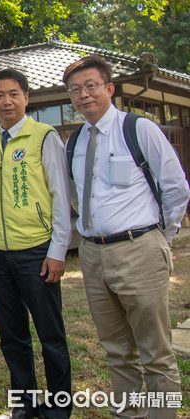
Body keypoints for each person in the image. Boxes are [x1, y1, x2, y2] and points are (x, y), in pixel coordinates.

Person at [62, 55, 190, 419]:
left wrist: (160, 237)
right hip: (92, 254)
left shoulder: (138, 129)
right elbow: (76, 193)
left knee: (156, 351)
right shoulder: (75, 142)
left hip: (139, 249)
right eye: (75, 90)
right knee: (116, 350)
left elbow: (176, 188)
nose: (83, 95)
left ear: (109, 89)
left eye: (90, 86)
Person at [0, 68, 72, 419]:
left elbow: (61, 195)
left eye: (14, 94)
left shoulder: (44, 137)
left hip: (36, 252)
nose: (7, 101)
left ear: (26, 98)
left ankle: (59, 408)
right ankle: (24, 405)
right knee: (12, 336)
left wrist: (58, 250)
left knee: (50, 336)